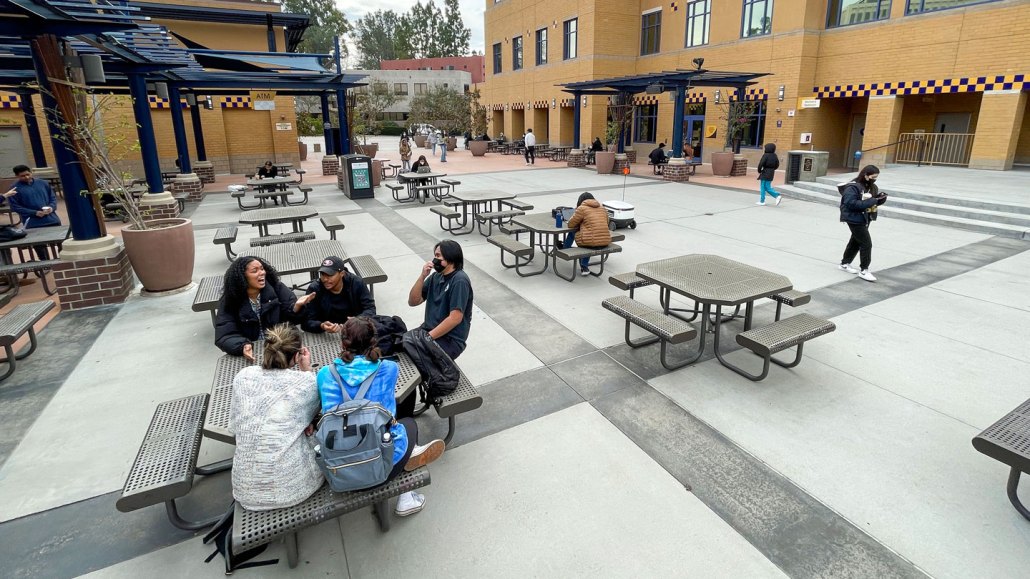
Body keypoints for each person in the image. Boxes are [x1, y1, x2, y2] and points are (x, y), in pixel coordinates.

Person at [317, 317, 446, 516]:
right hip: (383, 465)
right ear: (373, 342)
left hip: (340, 471)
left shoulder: (324, 374)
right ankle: (406, 493)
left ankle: (409, 460)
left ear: (342, 344)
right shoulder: (389, 368)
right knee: (407, 424)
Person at [229, 324, 323, 511]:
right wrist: (306, 370)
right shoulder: (307, 383)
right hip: (294, 488)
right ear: (297, 356)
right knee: (316, 430)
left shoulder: (243, 376)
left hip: (244, 490)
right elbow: (315, 413)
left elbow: (234, 427)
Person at [215, 256, 315, 359]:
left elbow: (292, 321)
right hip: (252, 353)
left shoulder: (277, 288)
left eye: (262, 269)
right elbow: (224, 335)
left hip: (280, 348)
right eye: (255, 271)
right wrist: (242, 346)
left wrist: (296, 308)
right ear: (242, 277)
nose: (262, 273)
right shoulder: (230, 299)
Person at [407, 239, 473, 361]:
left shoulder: (459, 280)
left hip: (450, 339)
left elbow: (455, 318)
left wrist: (427, 338)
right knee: (402, 344)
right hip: (429, 330)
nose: (434, 260)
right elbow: (413, 301)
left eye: (438, 256)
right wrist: (422, 276)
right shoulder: (436, 277)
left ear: (450, 257)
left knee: (417, 358)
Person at [301, 256, 376, 333]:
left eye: (330, 275)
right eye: (322, 274)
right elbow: (306, 321)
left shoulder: (356, 283)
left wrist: (357, 321)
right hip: (327, 334)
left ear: (342, 273)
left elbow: (370, 309)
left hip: (354, 330)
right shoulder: (315, 289)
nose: (325, 279)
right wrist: (321, 326)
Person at [838, 165, 887, 282]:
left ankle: (845, 263)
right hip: (854, 218)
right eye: (873, 177)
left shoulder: (872, 187)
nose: (874, 179)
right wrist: (873, 200)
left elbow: (872, 202)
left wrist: (879, 199)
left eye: (876, 177)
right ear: (866, 175)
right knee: (866, 244)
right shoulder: (852, 187)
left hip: (866, 217)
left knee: (855, 241)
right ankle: (864, 270)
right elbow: (851, 204)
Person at [7, 165, 61, 260]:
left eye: (28, 174)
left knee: (61, 242)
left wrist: (51, 208)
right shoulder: (14, 189)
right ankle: (45, 262)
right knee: (40, 248)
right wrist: (34, 212)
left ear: (31, 172)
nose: (26, 177)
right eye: (23, 176)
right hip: (33, 223)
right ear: (17, 176)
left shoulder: (43, 183)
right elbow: (15, 207)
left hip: (52, 219)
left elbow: (52, 198)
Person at [563, 192, 612, 276]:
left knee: (580, 235)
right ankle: (584, 266)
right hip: (604, 241)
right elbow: (606, 222)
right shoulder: (602, 208)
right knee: (589, 238)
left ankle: (565, 248)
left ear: (580, 201)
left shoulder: (582, 208)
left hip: (591, 242)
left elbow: (571, 224)